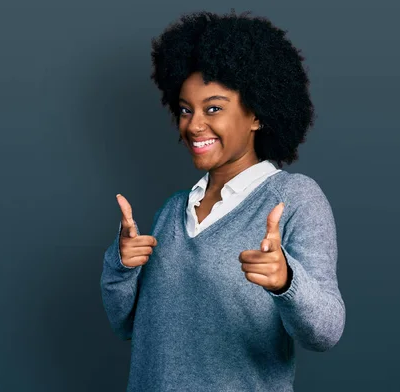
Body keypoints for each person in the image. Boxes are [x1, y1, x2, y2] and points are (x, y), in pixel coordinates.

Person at [101, 10, 345, 392]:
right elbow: (127, 326)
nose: (194, 124)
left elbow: (326, 332)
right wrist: (121, 266)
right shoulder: (171, 211)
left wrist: (286, 281)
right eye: (186, 110)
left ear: (257, 115)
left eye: (213, 108)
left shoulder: (294, 199)